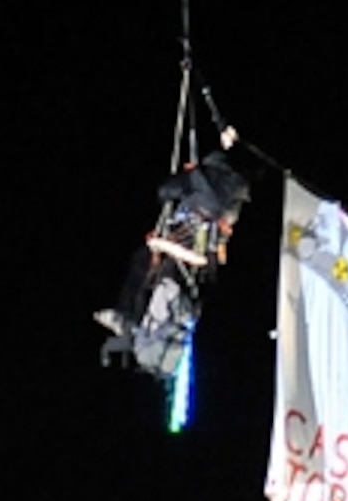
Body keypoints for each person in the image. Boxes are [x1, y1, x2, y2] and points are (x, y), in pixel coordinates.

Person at [95, 149, 253, 380]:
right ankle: (128, 321)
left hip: (184, 267)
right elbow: (213, 251)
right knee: (148, 268)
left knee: (146, 265)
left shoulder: (203, 182)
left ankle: (127, 319)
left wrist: (186, 176)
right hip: (186, 270)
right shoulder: (234, 193)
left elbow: (165, 192)